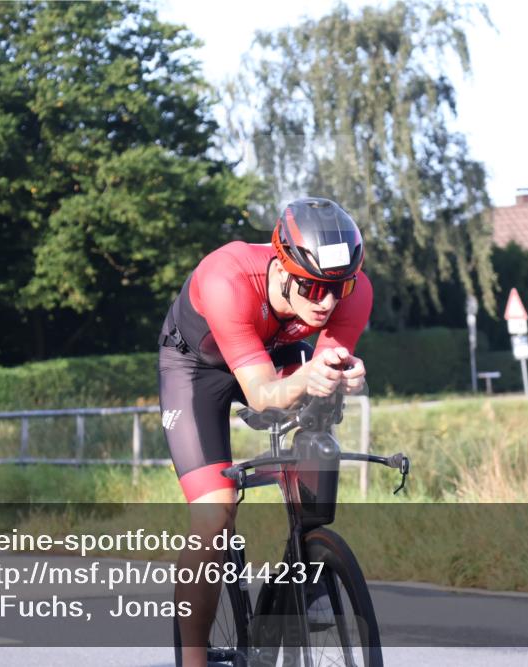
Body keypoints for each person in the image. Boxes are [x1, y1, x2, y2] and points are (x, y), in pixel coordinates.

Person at [157, 197, 373, 666]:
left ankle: (307, 564)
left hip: (273, 353)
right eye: (315, 288)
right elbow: (260, 393)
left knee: (320, 432)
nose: (330, 302)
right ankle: (192, 661)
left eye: (340, 286)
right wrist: (302, 380)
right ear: (282, 265)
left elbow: (323, 374)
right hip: (199, 368)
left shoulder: (351, 292)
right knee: (215, 521)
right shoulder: (226, 279)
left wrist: (343, 377)